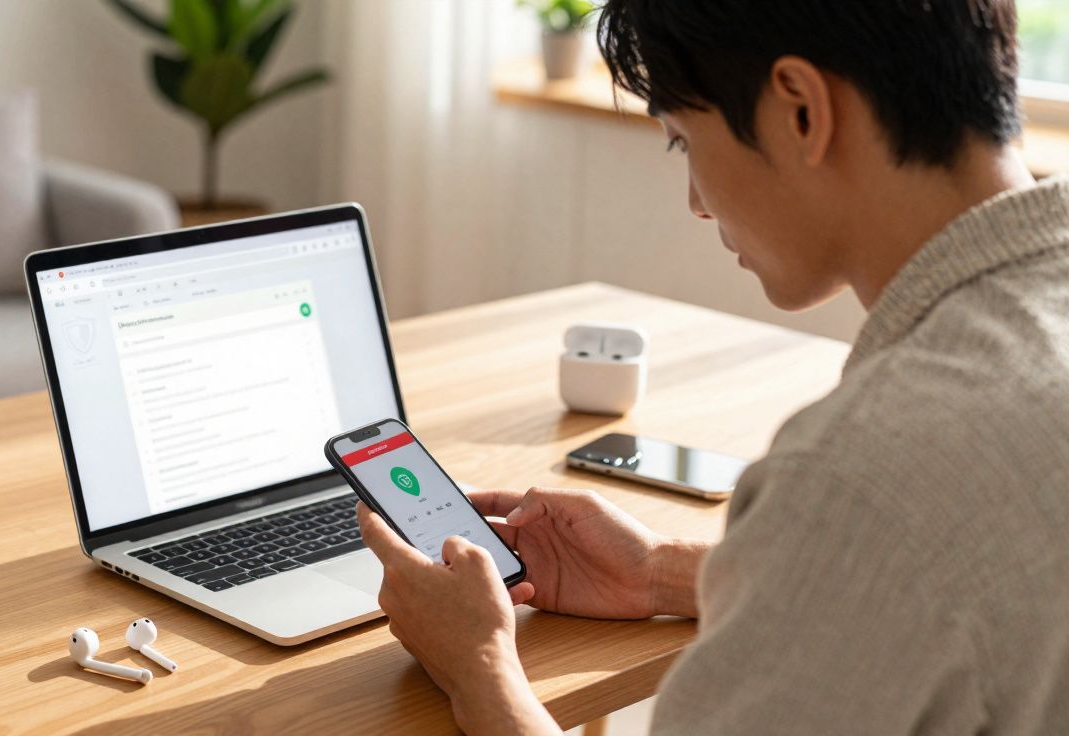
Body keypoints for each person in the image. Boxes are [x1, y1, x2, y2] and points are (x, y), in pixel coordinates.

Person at [357, 0, 1069, 733]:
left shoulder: (858, 475)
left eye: (682, 142)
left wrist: (479, 667)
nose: (696, 203)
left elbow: (883, 531)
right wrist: (659, 570)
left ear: (799, 111)